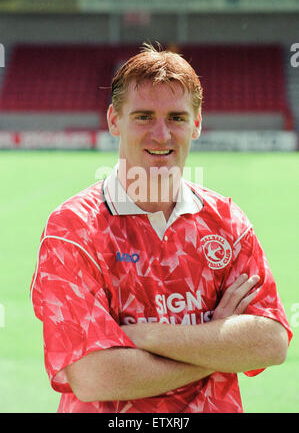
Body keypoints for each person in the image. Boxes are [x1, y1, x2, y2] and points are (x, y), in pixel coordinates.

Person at [30, 43, 292, 413]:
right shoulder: (73, 229)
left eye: (176, 118)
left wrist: (143, 336)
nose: (161, 134)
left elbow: (270, 343)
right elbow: (92, 377)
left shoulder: (228, 222)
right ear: (113, 120)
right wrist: (218, 342)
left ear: (197, 124)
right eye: (143, 116)